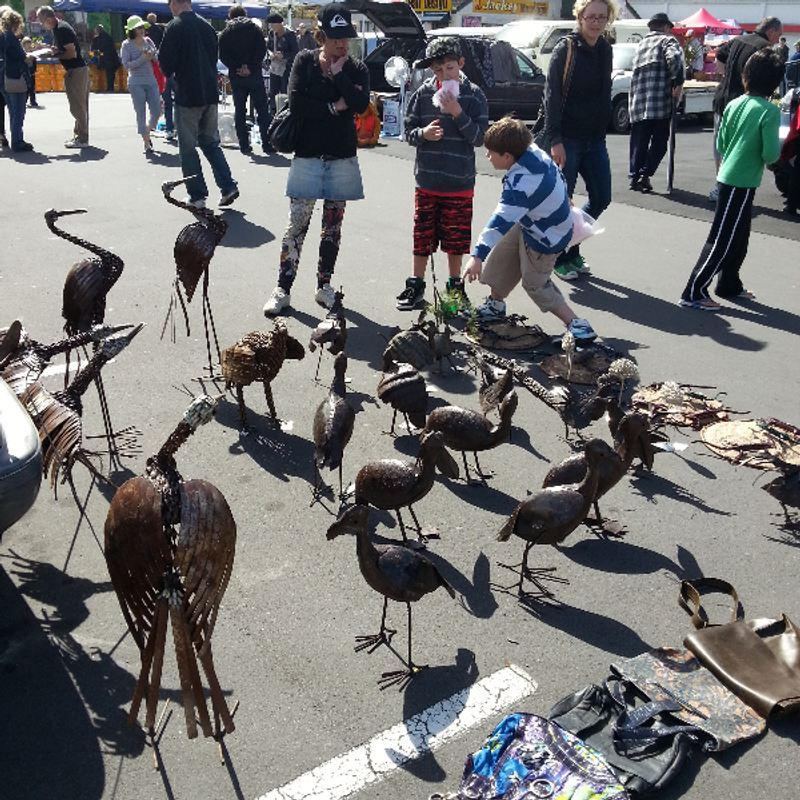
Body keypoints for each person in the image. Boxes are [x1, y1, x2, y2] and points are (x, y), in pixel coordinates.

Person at [263, 3, 369, 315]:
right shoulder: (304, 61)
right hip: (307, 156)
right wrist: (334, 108)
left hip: (342, 157)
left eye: (346, 38)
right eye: (336, 38)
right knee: (296, 225)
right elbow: (296, 104)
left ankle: (324, 286)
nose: (342, 44)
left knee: (332, 228)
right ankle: (282, 288)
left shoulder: (355, 68)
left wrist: (340, 79)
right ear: (321, 36)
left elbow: (361, 104)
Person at [462, 117, 597, 342]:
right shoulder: (532, 151)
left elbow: (499, 221)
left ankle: (577, 325)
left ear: (507, 156)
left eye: (491, 152)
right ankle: (495, 305)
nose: (487, 156)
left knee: (535, 283)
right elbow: (558, 175)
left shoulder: (522, 185)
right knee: (504, 256)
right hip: (532, 221)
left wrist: (477, 256)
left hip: (545, 238)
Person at [680, 49, 782, 310]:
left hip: (729, 175)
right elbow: (770, 153)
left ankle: (729, 283)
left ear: (746, 75)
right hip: (742, 181)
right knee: (723, 237)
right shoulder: (769, 111)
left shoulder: (734, 103)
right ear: (774, 82)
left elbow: (722, 143)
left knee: (739, 236)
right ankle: (694, 290)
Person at [397, 37, 488, 311]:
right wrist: (423, 134)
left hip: (459, 183)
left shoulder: (474, 95)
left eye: (449, 68)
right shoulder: (424, 94)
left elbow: (479, 138)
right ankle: (415, 284)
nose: (444, 75)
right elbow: (408, 131)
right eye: (437, 71)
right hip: (427, 181)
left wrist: (457, 112)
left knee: (456, 239)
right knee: (422, 235)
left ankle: (454, 287)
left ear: (460, 64)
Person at [543, 0, 615, 281]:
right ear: (580, 17)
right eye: (590, 17)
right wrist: (555, 138)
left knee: (601, 197)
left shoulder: (605, 49)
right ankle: (560, 257)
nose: (596, 22)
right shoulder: (567, 48)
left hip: (594, 138)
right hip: (567, 137)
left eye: (601, 17)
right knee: (564, 202)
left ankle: (571, 249)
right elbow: (551, 95)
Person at [158, 0, 239, 209]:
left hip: (188, 94)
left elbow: (165, 62)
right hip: (209, 92)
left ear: (175, 3)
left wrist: (174, 76)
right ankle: (228, 185)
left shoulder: (174, 27)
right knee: (210, 142)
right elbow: (213, 58)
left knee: (188, 148)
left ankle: (197, 195)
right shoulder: (207, 25)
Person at [710, 16, 782, 199]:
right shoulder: (763, 48)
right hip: (746, 100)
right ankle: (729, 186)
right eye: (778, 35)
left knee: (721, 143)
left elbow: (719, 55)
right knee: (740, 147)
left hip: (723, 97)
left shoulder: (740, 38)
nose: (777, 40)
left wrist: (726, 75)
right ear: (771, 31)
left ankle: (720, 184)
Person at [627, 13, 684, 193]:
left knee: (639, 142)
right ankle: (645, 174)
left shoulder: (641, 44)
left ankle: (634, 176)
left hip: (638, 103)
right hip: (659, 103)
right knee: (659, 143)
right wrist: (677, 81)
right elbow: (675, 59)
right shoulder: (667, 41)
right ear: (666, 27)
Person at [218, 5, 271, 155]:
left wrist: (236, 67)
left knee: (240, 110)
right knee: (262, 109)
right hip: (254, 74)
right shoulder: (254, 29)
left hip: (236, 76)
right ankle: (267, 143)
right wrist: (250, 67)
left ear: (230, 16)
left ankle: (244, 145)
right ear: (245, 14)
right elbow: (261, 50)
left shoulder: (226, 32)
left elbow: (222, 55)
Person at [36, 5, 89, 148]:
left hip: (76, 70)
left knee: (77, 106)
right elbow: (65, 49)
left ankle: (82, 139)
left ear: (48, 19)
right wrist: (50, 49)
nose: (41, 24)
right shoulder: (59, 28)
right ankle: (79, 136)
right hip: (77, 69)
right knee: (79, 106)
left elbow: (72, 53)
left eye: (41, 21)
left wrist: (52, 53)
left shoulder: (61, 29)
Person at [120, 15, 161, 155]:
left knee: (157, 110)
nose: (142, 30)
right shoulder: (126, 45)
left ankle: (147, 131)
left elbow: (156, 58)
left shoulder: (148, 41)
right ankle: (146, 141)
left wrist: (152, 55)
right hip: (136, 82)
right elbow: (127, 65)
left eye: (142, 27)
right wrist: (143, 58)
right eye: (138, 28)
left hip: (151, 80)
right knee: (141, 112)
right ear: (132, 30)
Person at [1, 7, 33, 152]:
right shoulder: (10, 38)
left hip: (3, 78)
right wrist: (31, 56)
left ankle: (16, 140)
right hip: (14, 78)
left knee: (13, 111)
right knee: (18, 112)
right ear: (15, 23)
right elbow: (21, 57)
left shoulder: (2, 36)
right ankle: (18, 142)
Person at [266, 13, 298, 111]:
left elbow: (296, 52)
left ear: (279, 24)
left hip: (286, 67)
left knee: (284, 91)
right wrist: (270, 53)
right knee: (273, 91)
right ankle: (273, 112)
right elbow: (268, 47)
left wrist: (284, 55)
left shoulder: (290, 34)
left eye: (273, 24)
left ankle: (284, 111)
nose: (271, 27)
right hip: (275, 67)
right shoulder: (271, 33)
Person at [91, 24, 120, 93]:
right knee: (111, 74)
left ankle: (109, 88)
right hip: (113, 57)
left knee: (109, 74)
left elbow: (96, 50)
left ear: (98, 31)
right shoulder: (108, 36)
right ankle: (110, 88)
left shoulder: (98, 38)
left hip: (107, 58)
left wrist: (95, 55)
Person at [21, 37, 40, 108]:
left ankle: (33, 101)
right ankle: (24, 101)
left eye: (29, 44)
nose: (28, 45)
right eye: (27, 44)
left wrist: (35, 71)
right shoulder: (22, 52)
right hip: (25, 72)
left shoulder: (33, 53)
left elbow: (34, 62)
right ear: (23, 45)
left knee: (32, 87)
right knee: (26, 88)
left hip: (31, 72)